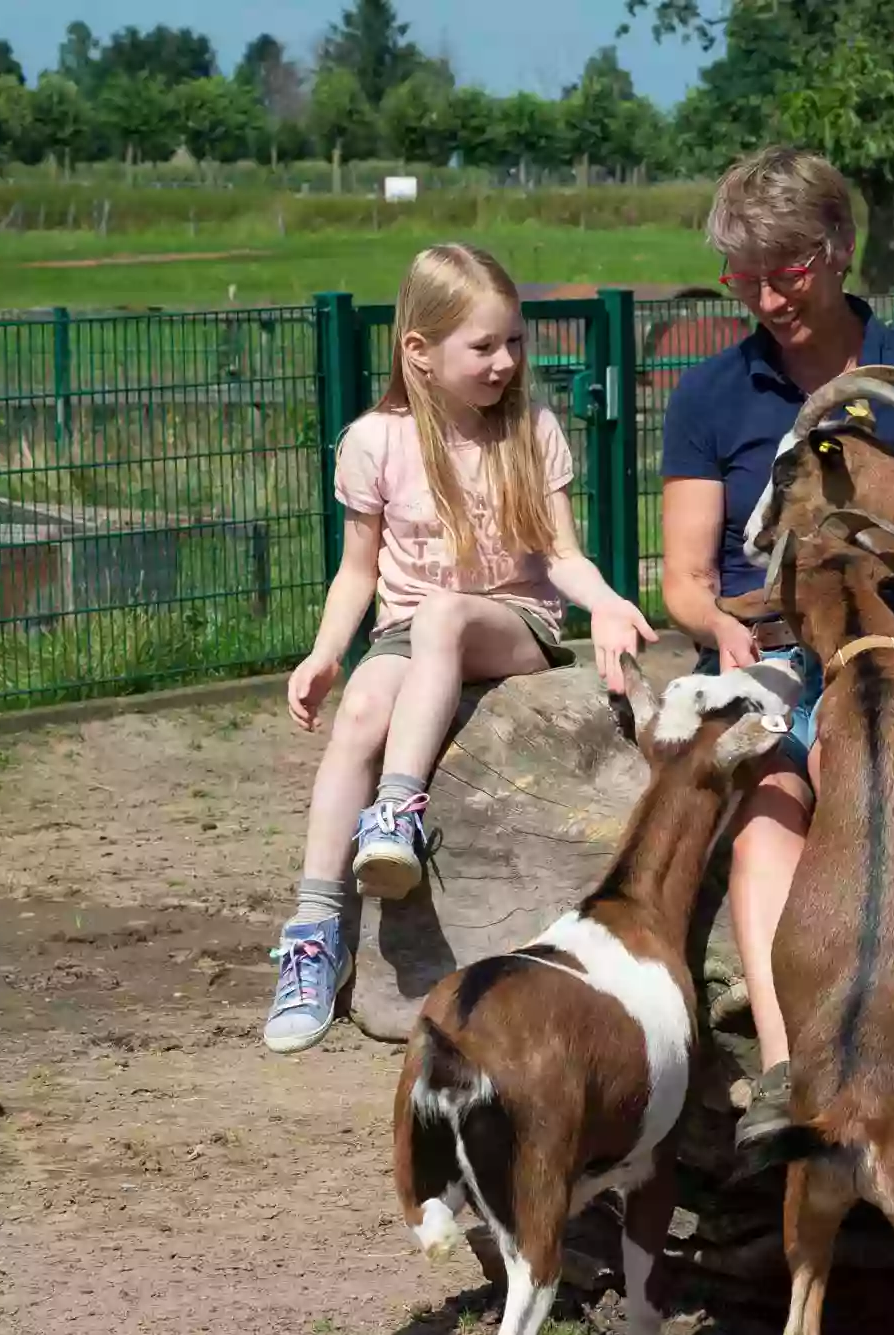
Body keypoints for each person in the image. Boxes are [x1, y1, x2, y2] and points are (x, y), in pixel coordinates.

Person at [659, 145, 894, 1149]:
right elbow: (684, 580)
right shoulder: (709, 397)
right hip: (767, 651)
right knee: (771, 803)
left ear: (838, 249)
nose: (767, 297)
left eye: (789, 271)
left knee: (853, 767)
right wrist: (720, 628)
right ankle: (785, 1076)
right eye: (746, 275)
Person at [262, 242, 658, 1055]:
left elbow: (562, 555)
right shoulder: (373, 441)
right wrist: (325, 652)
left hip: (512, 623)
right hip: (407, 629)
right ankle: (313, 929)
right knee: (363, 709)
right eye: (484, 346)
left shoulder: (531, 429)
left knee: (444, 615)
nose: (506, 361)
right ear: (420, 352)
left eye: (514, 341)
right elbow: (356, 571)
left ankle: (398, 811)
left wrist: (611, 605)